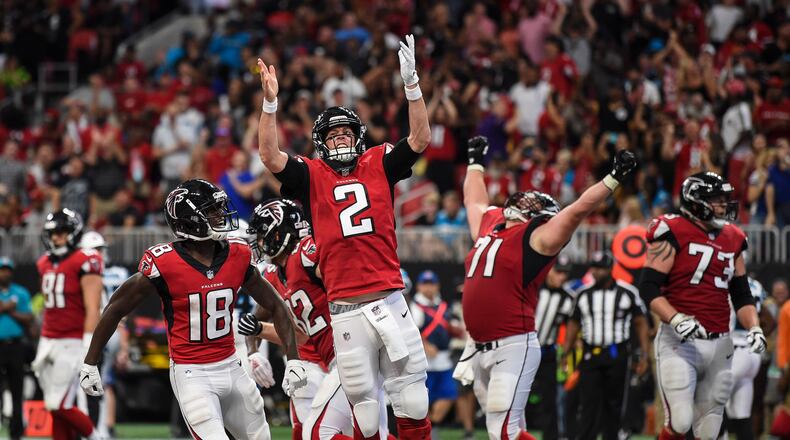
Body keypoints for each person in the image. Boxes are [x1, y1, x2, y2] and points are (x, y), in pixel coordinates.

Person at [256, 34, 433, 439]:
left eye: (345, 133)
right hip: (345, 309)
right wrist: (270, 105)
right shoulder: (311, 175)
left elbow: (420, 139)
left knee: (412, 401)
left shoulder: (379, 161)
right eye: (332, 135)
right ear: (320, 142)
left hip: (389, 297)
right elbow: (269, 156)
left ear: (358, 137)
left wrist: (412, 87)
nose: (339, 140)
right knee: (366, 415)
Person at [78, 179, 303, 440]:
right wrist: (90, 362)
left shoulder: (237, 253)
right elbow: (115, 308)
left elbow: (276, 304)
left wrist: (294, 359)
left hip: (232, 365)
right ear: (189, 220)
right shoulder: (165, 263)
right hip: (192, 373)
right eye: (211, 210)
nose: (221, 215)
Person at [454, 135, 636, 440]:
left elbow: (577, 210)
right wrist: (475, 162)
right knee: (503, 430)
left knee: (505, 431)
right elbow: (474, 201)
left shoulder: (537, 236)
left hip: (512, 343)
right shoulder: (493, 224)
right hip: (479, 347)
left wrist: (612, 179)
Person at [238, 199, 391, 440]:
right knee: (370, 434)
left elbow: (345, 271)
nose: (258, 243)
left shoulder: (306, 252)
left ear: (280, 234)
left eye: (261, 235)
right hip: (339, 358)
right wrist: (257, 342)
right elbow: (300, 334)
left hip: (352, 354)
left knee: (317, 433)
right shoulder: (279, 272)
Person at [638, 171, 766, 440]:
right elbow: (648, 288)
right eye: (716, 199)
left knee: (709, 431)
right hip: (680, 341)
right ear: (696, 202)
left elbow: (742, 295)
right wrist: (676, 319)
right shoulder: (672, 229)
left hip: (721, 342)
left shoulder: (733, 238)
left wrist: (755, 327)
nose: (723, 205)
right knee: (681, 421)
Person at [561, 251, 650, 440]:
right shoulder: (583, 294)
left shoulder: (627, 292)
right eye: (594, 267)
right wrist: (565, 353)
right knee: (588, 404)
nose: (596, 272)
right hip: (590, 355)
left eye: (600, 268)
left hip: (617, 353)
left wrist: (644, 354)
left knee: (615, 403)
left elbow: (641, 323)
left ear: (610, 268)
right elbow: (573, 324)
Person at [32, 208, 103, 440]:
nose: (56, 238)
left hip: (72, 341)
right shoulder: (43, 262)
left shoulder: (86, 260)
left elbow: (93, 307)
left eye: (61, 232)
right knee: (54, 408)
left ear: (73, 233)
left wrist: (87, 344)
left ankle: (96, 436)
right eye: (53, 233)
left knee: (59, 403)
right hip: (47, 339)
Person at [79, 231, 129, 438]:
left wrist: (124, 344)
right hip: (108, 330)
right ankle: (100, 428)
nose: (99, 254)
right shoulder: (113, 273)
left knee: (91, 381)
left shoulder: (93, 273)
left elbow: (121, 312)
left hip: (99, 331)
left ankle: (95, 429)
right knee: (100, 380)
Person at [408, 270, 464, 435]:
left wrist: (456, 330)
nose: (429, 288)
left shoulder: (444, 306)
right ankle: (422, 432)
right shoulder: (414, 307)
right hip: (422, 363)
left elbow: (454, 328)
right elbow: (409, 332)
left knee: (449, 395)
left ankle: (430, 427)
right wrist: (425, 345)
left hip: (443, 361)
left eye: (432, 284)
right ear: (418, 286)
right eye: (425, 284)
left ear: (437, 286)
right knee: (420, 403)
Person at [527, 254, 574, 440]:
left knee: (549, 400)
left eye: (565, 274)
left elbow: (572, 328)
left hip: (547, 352)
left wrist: (565, 355)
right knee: (515, 395)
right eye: (558, 272)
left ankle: (551, 437)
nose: (561, 277)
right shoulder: (533, 288)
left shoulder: (569, 298)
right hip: (523, 348)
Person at [723, 276, 768, 439]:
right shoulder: (756, 284)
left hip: (734, 349)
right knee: (742, 415)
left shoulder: (724, 281)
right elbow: (768, 318)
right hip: (751, 352)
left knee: (714, 406)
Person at [0, 257, 33, 440]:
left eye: (7, 270)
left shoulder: (20, 293)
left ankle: (17, 433)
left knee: (17, 391)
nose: (4, 273)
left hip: (16, 346)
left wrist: (8, 310)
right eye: (2, 269)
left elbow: (29, 318)